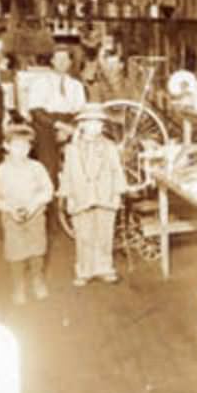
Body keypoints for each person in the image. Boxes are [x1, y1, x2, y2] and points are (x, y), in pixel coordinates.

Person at [59, 103, 129, 286]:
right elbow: (67, 173)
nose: (95, 127)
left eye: (99, 123)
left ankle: (104, 267)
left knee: (105, 233)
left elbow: (116, 170)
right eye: (90, 123)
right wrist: (67, 195)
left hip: (104, 195)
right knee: (83, 234)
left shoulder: (110, 147)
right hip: (81, 196)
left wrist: (118, 192)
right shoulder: (71, 149)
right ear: (81, 125)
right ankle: (84, 269)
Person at [0, 124, 54, 305]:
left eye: (26, 146)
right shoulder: (0, 171)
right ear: (6, 146)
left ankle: (37, 280)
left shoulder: (37, 168)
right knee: (15, 253)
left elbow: (48, 190)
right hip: (12, 218)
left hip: (35, 215)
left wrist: (34, 205)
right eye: (16, 146)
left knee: (37, 250)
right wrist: (9, 209)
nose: (22, 151)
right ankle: (18, 286)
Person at [27, 46, 87, 185]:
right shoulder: (39, 83)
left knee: (82, 158)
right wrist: (58, 125)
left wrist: (70, 128)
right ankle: (50, 195)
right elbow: (36, 112)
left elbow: (80, 111)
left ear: (70, 62)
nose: (61, 62)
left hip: (70, 122)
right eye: (58, 59)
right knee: (49, 163)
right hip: (46, 123)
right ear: (52, 61)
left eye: (65, 59)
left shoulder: (76, 85)